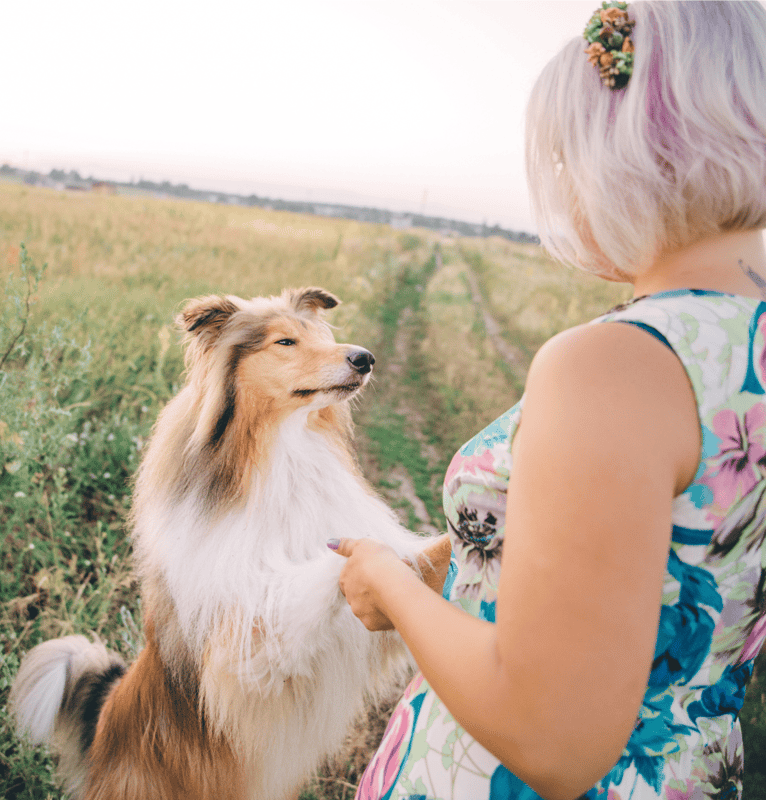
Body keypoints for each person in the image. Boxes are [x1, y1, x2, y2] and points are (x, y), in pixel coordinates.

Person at [328, 2, 766, 798]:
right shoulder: (738, 344)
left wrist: (389, 583)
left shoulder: (619, 364)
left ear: (630, 155)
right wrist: (452, 555)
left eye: (568, 160)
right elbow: (656, 554)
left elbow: (550, 734)